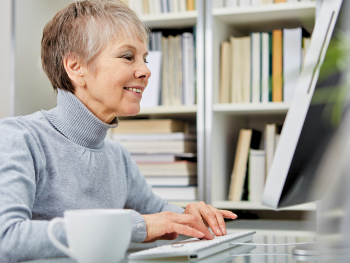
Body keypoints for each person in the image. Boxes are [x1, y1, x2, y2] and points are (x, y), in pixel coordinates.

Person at [0, 0, 237, 262]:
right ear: (76, 67)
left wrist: (191, 216)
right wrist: (133, 226)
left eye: (145, 59)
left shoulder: (116, 156)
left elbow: (158, 213)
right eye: (128, 57)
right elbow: (6, 238)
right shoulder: (18, 139)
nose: (146, 70)